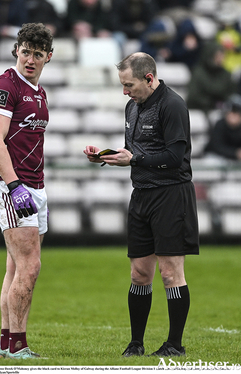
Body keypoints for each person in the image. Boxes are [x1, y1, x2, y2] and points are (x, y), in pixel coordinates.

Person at [83, 52, 199, 357]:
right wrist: (109, 156)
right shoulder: (132, 107)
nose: (125, 91)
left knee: (171, 273)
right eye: (123, 85)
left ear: (149, 78)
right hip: (142, 195)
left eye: (129, 84)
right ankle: (136, 343)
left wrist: (134, 158)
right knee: (139, 274)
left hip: (171, 195)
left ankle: (175, 345)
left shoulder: (173, 105)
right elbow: (137, 152)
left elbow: (176, 158)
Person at [0, 22, 53, 359]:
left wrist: (36, 188)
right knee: (30, 265)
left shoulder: (39, 92)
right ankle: (19, 347)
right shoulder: (5, 86)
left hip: (33, 186)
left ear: (48, 58)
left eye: (37, 54)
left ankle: (5, 346)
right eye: (25, 51)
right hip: (13, 186)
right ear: (17, 50)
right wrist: (14, 186)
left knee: (15, 268)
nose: (30, 59)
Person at [186, 41, 237, 112]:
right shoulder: (198, 73)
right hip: (199, 110)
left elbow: (231, 93)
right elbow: (194, 95)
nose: (220, 59)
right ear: (210, 56)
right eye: (217, 56)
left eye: (222, 56)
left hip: (222, 111)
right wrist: (211, 102)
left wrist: (222, 102)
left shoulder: (226, 74)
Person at [205, 94, 241, 160]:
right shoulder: (220, 125)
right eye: (231, 112)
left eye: (236, 112)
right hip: (217, 157)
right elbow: (216, 147)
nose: (233, 115)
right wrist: (235, 153)